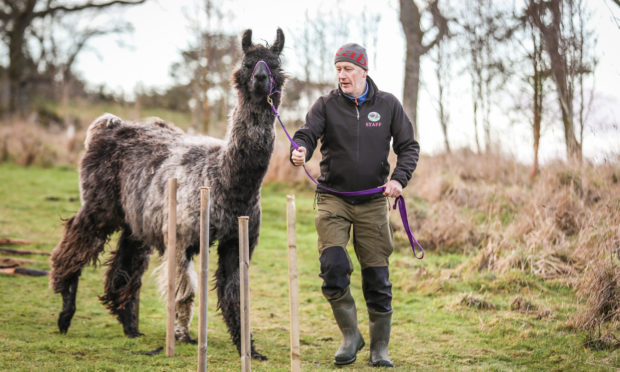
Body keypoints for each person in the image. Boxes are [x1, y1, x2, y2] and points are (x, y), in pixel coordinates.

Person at [290, 42, 419, 367]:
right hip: (333, 199)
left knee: (377, 278)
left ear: (364, 70)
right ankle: (350, 336)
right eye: (338, 69)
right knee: (333, 268)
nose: (342, 75)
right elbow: (307, 133)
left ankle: (379, 349)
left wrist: (398, 180)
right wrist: (300, 150)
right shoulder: (326, 105)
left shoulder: (388, 105)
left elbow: (408, 147)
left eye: (348, 69)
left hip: (374, 201)